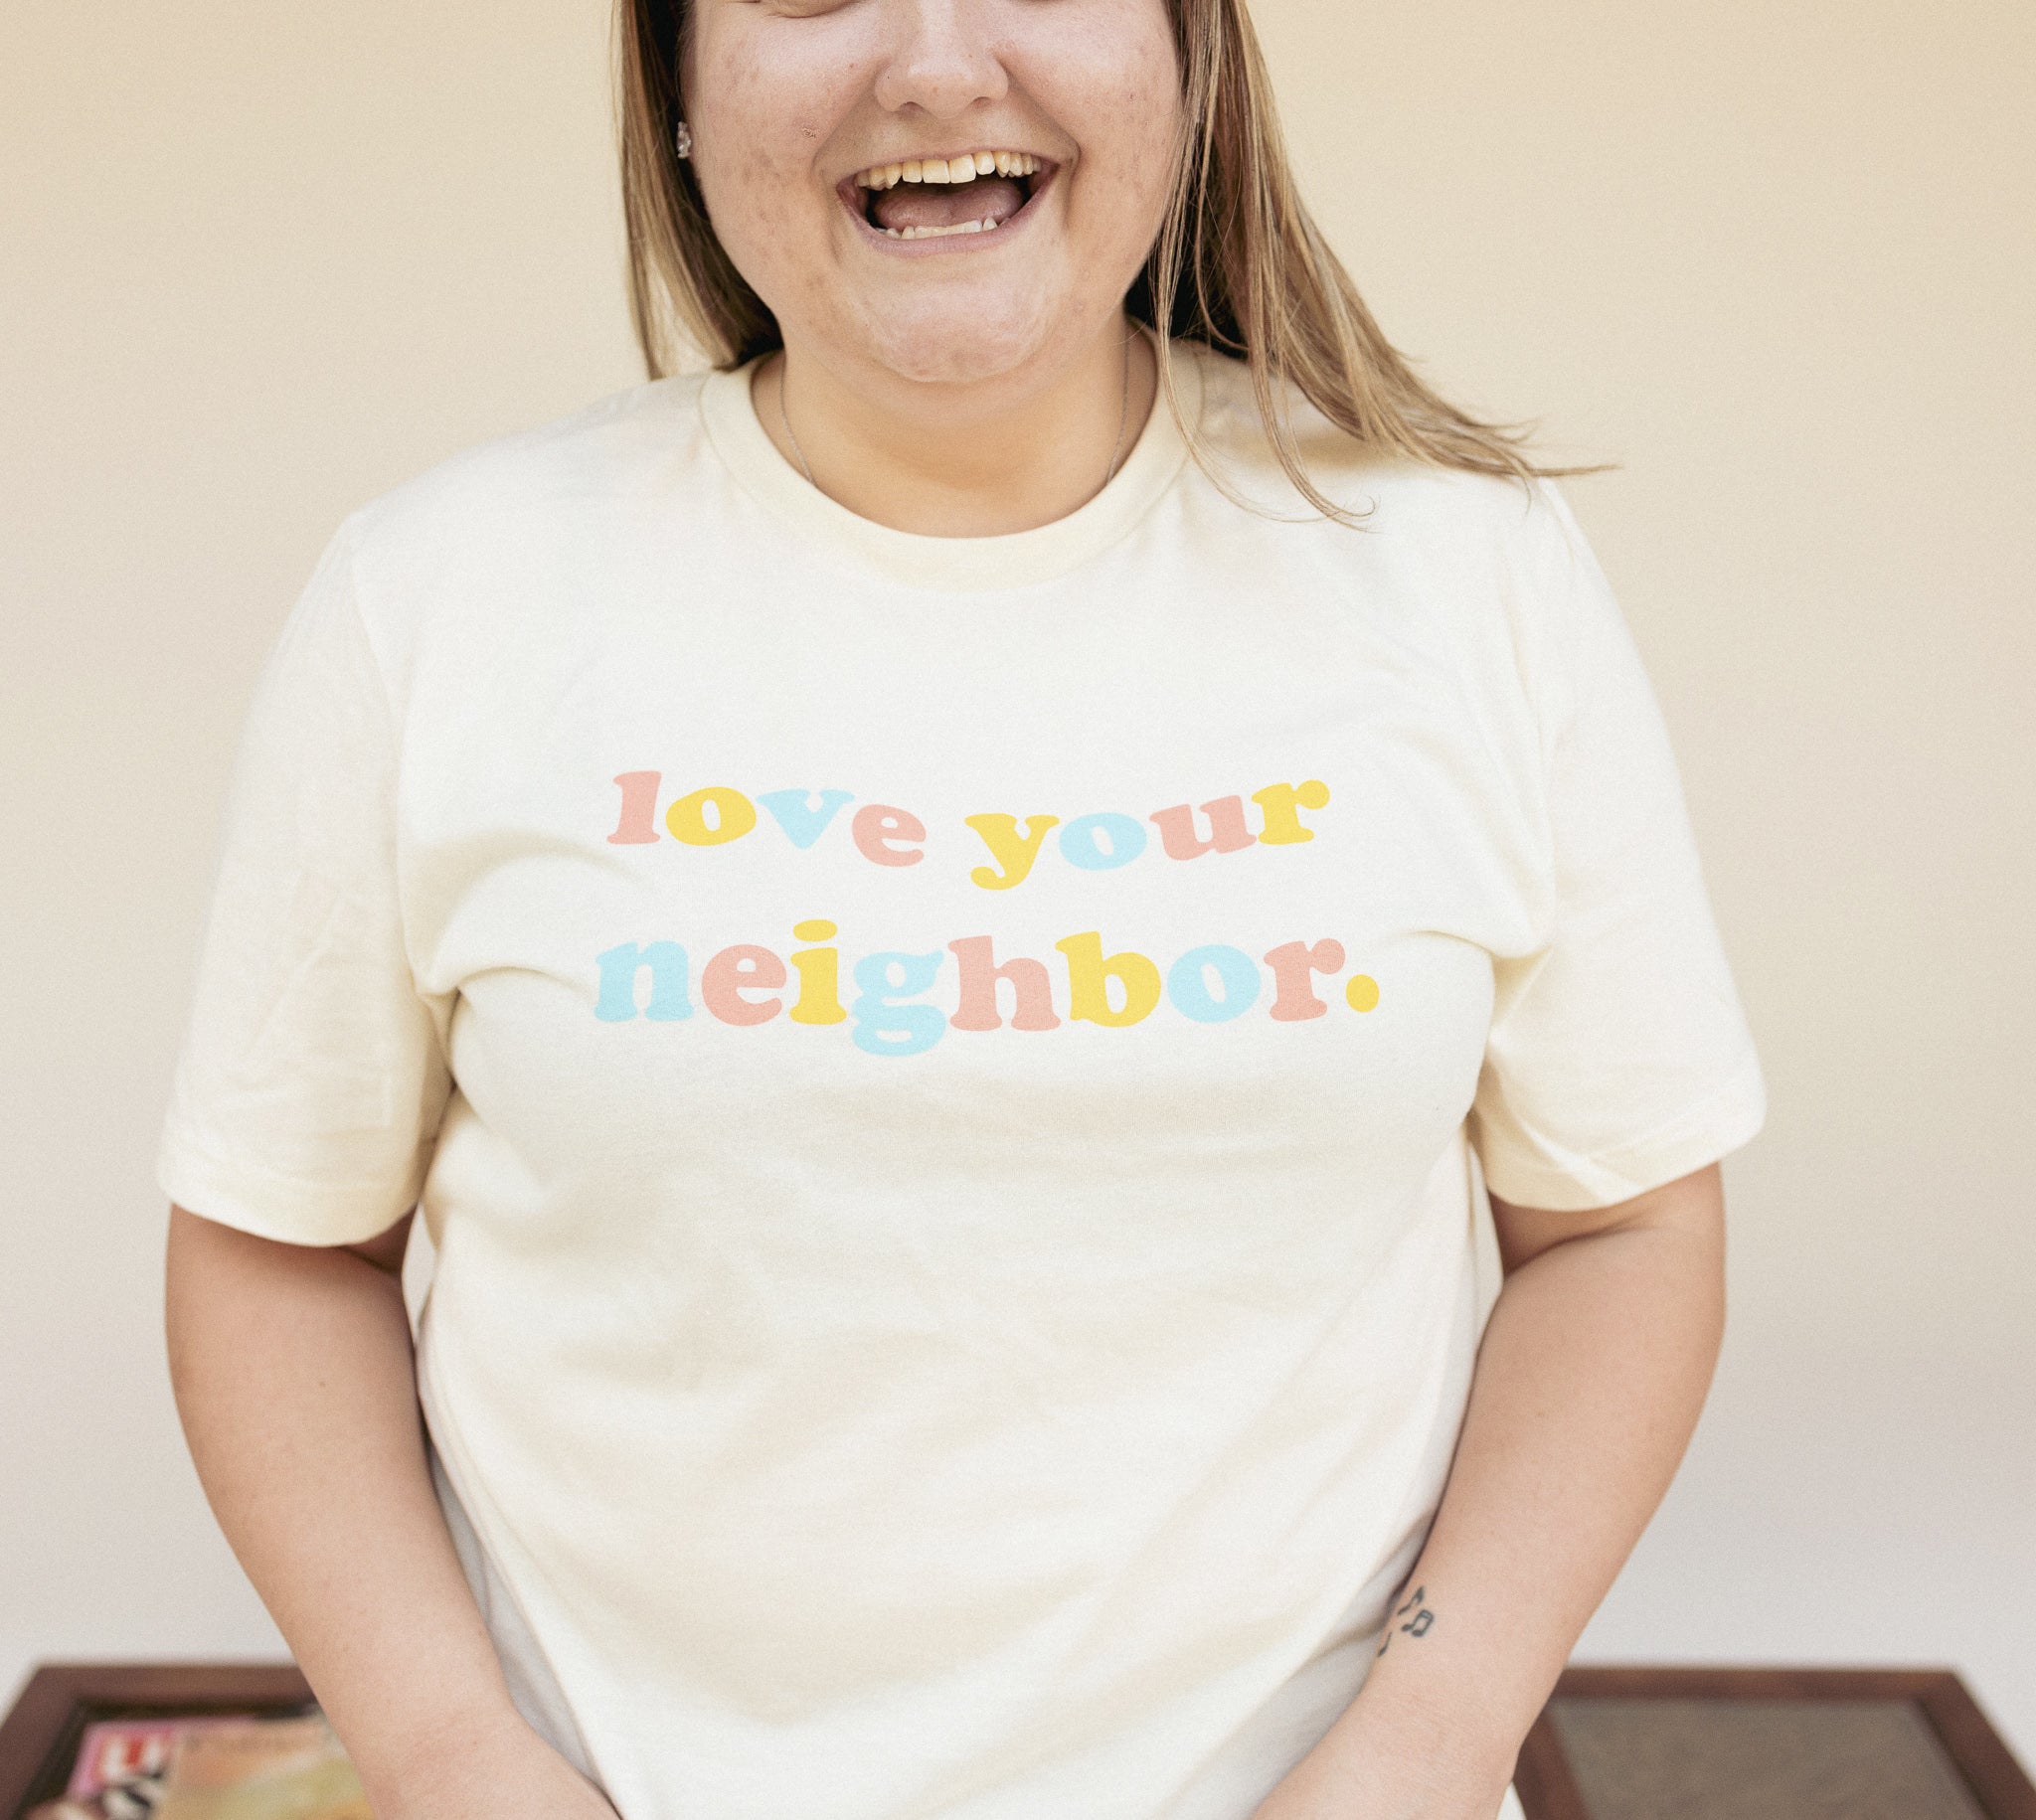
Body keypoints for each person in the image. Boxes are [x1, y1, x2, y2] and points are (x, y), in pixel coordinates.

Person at [158, 2, 1767, 1817]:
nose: (932, 65)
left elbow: (1621, 1232)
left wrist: (1425, 1744)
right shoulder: (441, 597)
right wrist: (457, 1763)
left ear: (1190, 53)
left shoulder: (1464, 569)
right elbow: (279, 1244)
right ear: (675, 85)